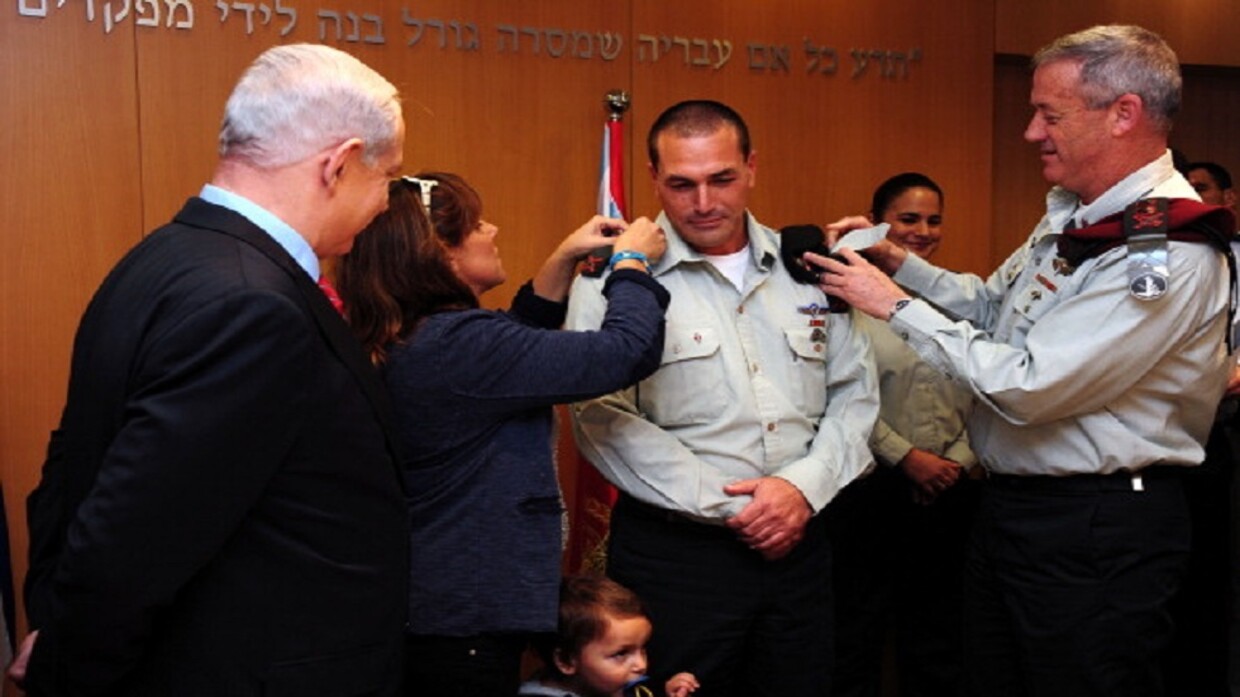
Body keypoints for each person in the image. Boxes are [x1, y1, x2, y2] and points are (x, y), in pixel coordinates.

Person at [813, 25, 1238, 697]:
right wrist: (900, 266)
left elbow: (1031, 385)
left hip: (1093, 525)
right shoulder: (1076, 214)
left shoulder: (1162, 247)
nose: (1031, 132)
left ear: (1123, 113)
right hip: (1017, 510)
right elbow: (994, 307)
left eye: (1050, 115)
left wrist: (892, 306)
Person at [14, 44, 409, 696]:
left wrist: (56, 628)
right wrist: (68, 662)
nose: (386, 203)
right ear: (338, 164)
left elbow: (72, 473)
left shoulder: (160, 258)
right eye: (386, 177)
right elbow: (131, 537)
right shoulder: (253, 306)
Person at [565, 99, 878, 697]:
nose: (704, 202)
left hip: (800, 548)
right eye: (682, 184)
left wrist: (801, 490)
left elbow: (855, 392)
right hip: (677, 556)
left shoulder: (808, 267)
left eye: (722, 179)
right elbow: (599, 414)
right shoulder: (612, 278)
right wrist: (740, 509)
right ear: (654, 177)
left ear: (752, 167)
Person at [335, 172, 670, 697]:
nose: (491, 229)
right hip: (466, 623)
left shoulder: (421, 337)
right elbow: (624, 352)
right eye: (475, 225)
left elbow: (514, 352)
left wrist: (562, 260)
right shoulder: (459, 346)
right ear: (438, 253)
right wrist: (631, 265)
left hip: (438, 613)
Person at [827, 172, 978, 697]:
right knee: (858, 633)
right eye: (909, 219)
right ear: (875, 224)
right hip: (872, 488)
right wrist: (907, 458)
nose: (923, 231)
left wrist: (955, 461)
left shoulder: (962, 298)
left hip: (954, 487)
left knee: (941, 636)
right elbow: (837, 393)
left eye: (934, 220)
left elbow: (984, 386)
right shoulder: (846, 298)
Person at [520, 575, 699, 697]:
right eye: (621, 654)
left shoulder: (608, 688)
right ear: (566, 661)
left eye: (643, 649)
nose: (641, 665)